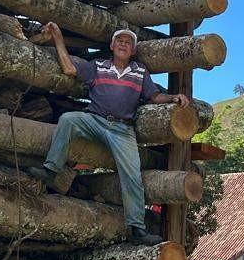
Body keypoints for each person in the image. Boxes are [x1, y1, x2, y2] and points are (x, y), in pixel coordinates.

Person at [29, 24, 189, 246]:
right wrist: (58, 38)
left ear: (133, 50)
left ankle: (137, 228)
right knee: (68, 119)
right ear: (112, 46)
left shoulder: (140, 71)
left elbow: (154, 97)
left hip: (122, 129)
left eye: (128, 42)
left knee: (132, 174)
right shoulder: (98, 66)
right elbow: (69, 69)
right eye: (120, 41)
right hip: (94, 121)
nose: (123, 44)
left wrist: (173, 98)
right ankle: (51, 170)